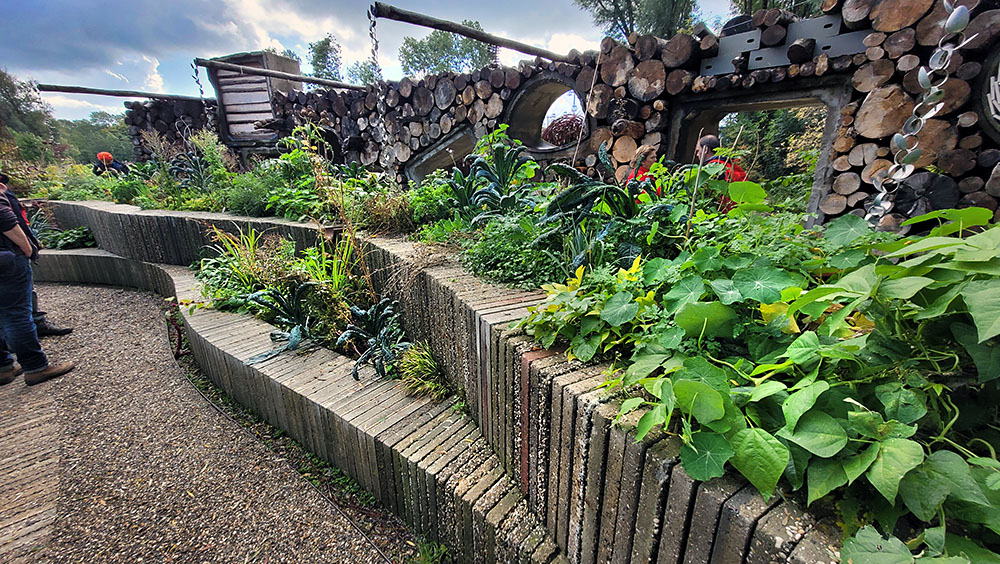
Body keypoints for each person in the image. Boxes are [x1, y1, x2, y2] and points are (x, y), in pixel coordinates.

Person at [0, 173, 74, 386]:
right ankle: (35, 367)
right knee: (16, 315)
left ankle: (4, 367)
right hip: (6, 260)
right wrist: (26, 248)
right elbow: (5, 219)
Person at [694, 135, 748, 213]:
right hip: (739, 214)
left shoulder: (711, 170)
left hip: (723, 215)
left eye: (698, 150)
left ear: (706, 149)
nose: (697, 154)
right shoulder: (732, 166)